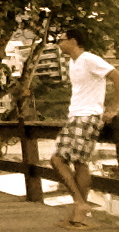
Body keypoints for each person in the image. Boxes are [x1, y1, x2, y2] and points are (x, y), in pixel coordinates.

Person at [50, 29, 119, 228]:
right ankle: (78, 213)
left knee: (60, 160)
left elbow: (116, 76)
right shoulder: (73, 63)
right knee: (76, 163)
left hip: (88, 116)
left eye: (61, 40)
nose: (59, 44)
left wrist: (114, 108)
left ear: (73, 41)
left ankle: (79, 206)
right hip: (76, 116)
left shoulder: (89, 59)